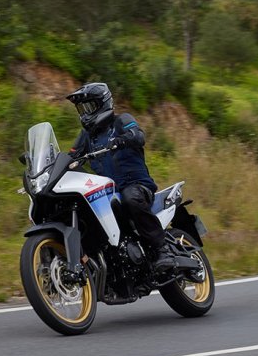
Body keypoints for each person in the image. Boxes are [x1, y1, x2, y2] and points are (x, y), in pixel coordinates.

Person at [66, 82, 176, 271]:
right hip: (108, 192)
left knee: (130, 198)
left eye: (89, 107)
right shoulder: (87, 136)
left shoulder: (121, 121)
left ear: (103, 104)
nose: (85, 113)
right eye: (81, 109)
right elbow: (71, 156)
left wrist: (125, 139)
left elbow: (138, 135)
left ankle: (162, 249)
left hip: (137, 185)